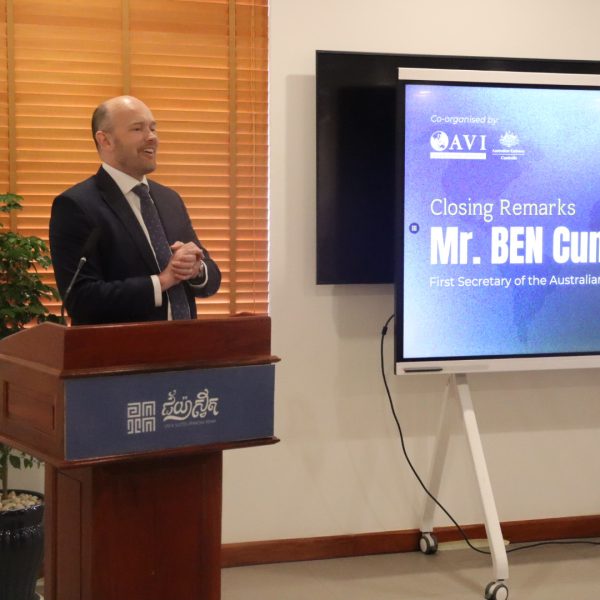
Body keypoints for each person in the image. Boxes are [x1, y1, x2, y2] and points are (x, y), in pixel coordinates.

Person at [49, 95, 221, 325]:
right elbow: (81, 299)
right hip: (123, 347)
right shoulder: (76, 205)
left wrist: (195, 268)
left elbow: (210, 278)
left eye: (153, 128)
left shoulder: (170, 199)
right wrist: (162, 281)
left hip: (187, 343)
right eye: (138, 129)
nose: (152, 137)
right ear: (105, 140)